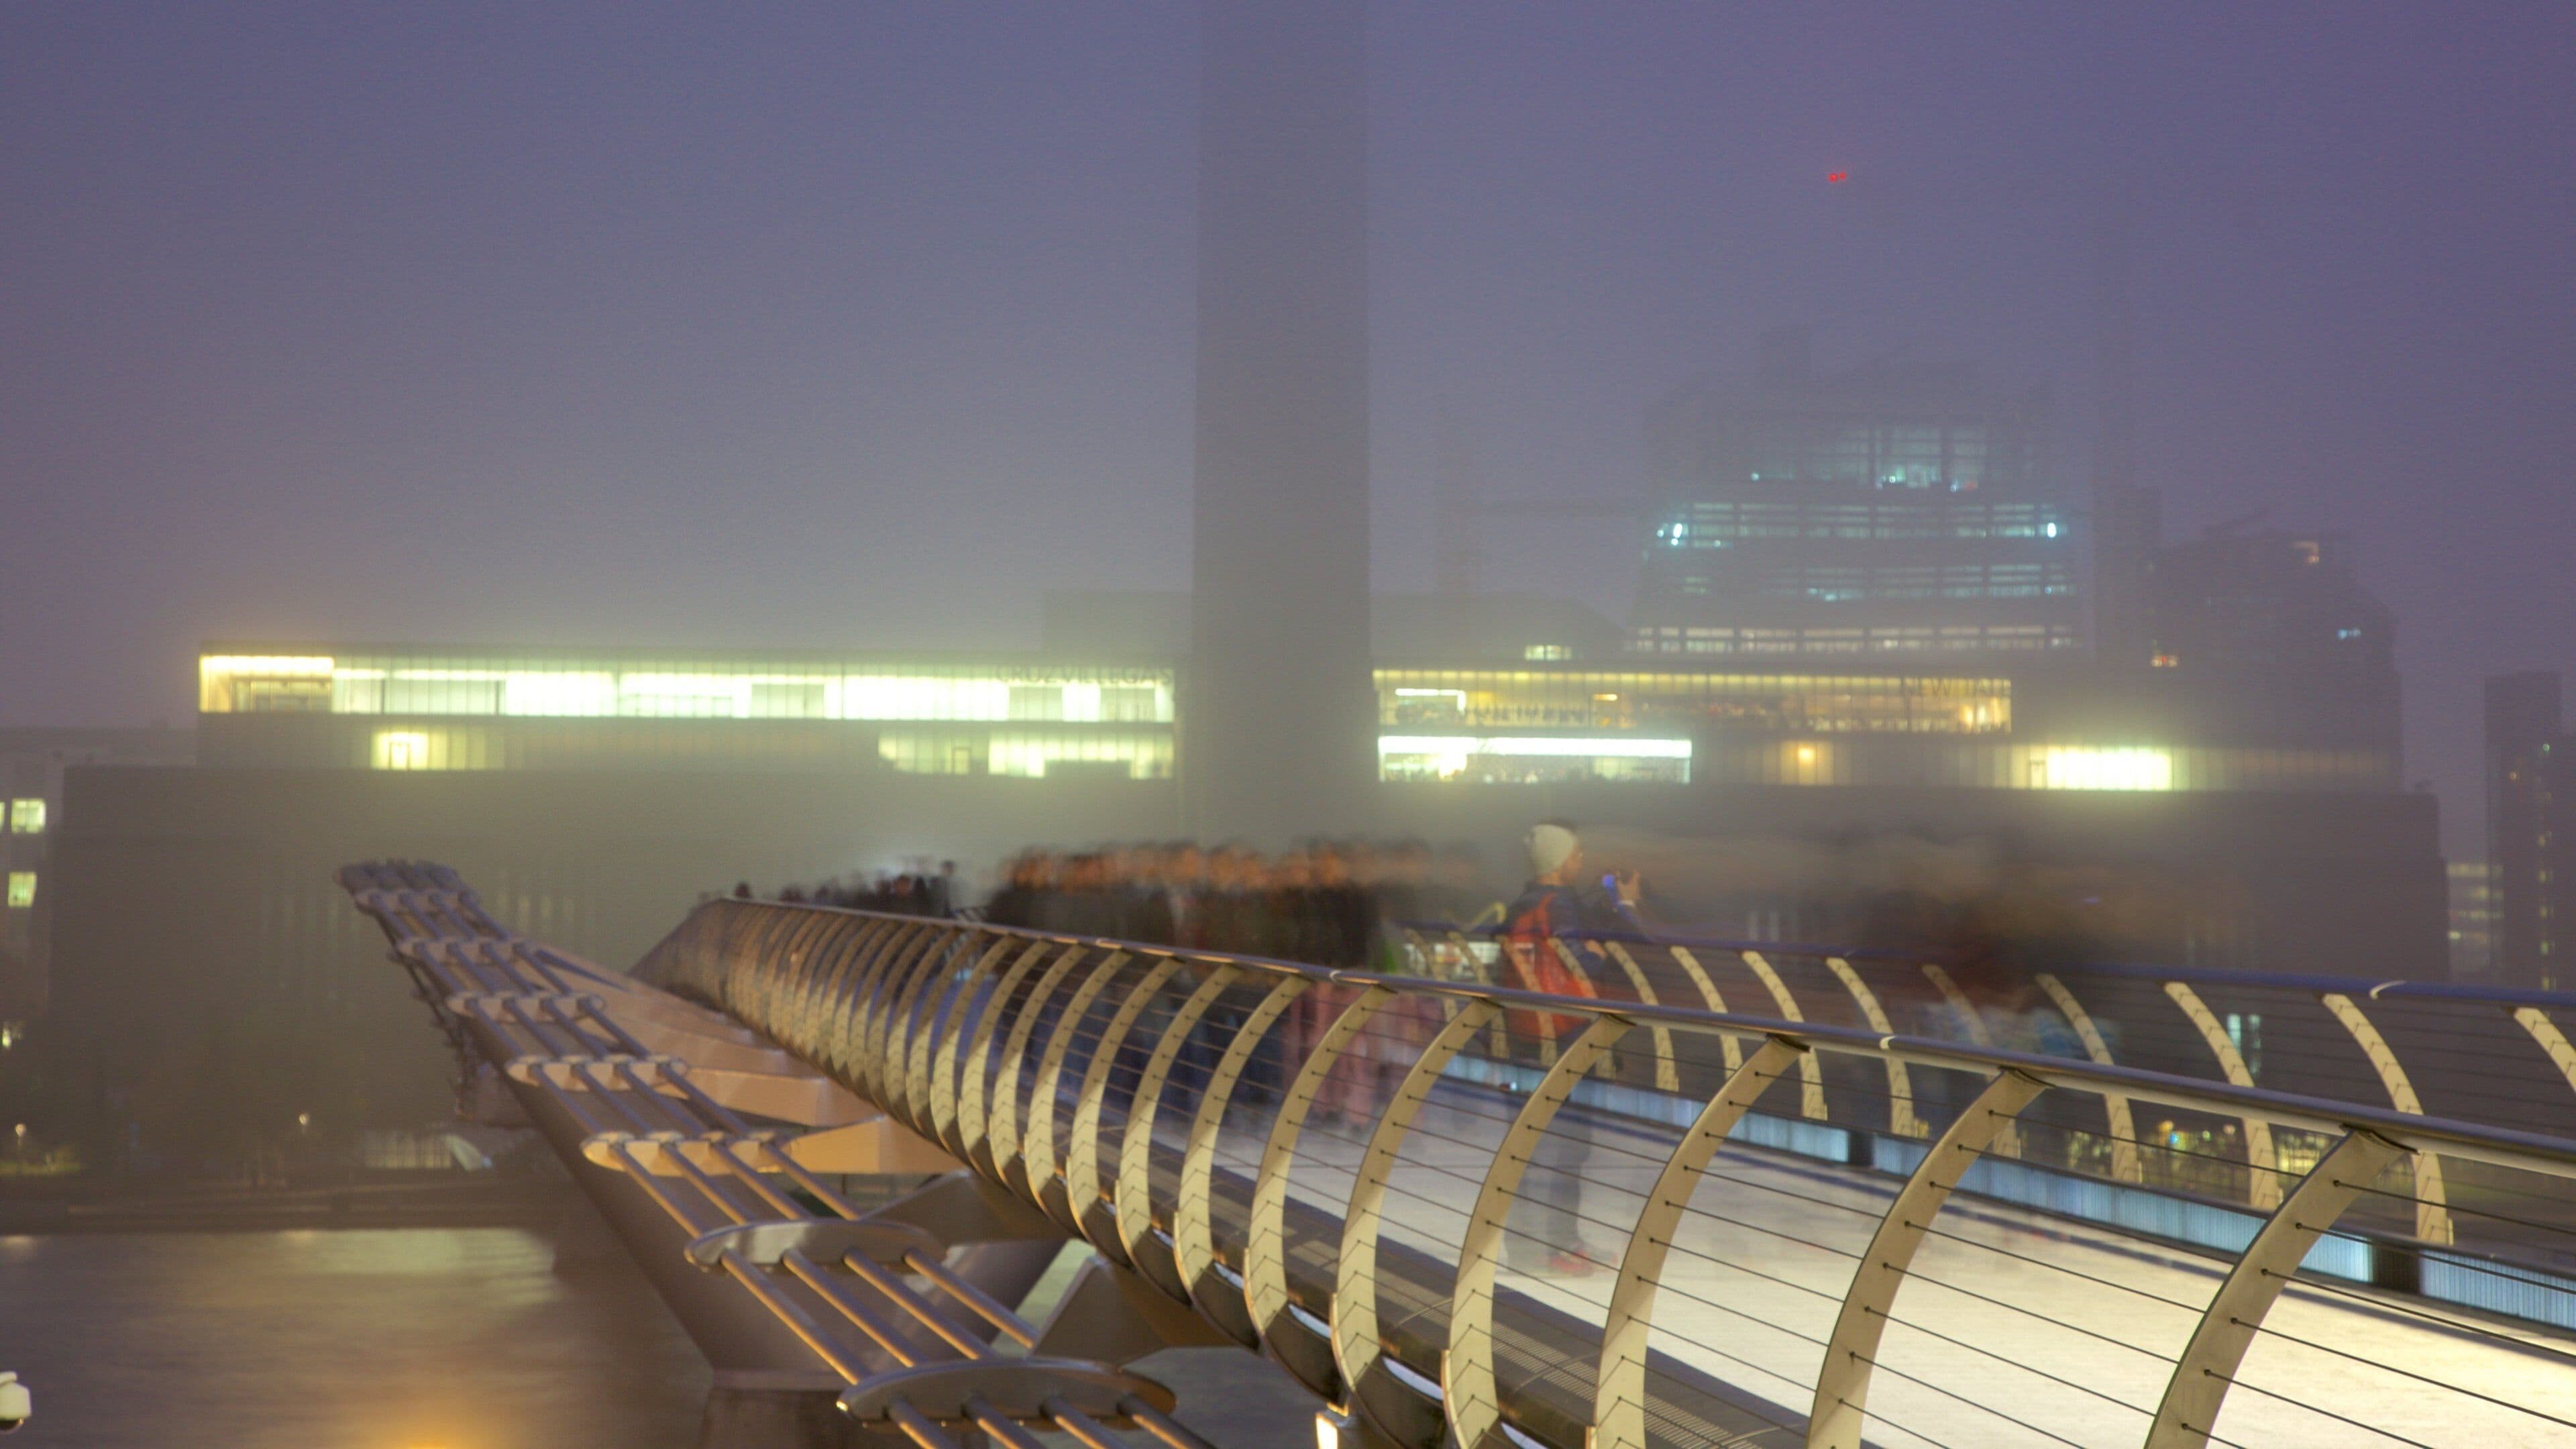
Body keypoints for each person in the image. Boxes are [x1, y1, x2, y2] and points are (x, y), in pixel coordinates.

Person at [1498, 822, 1640, 1276]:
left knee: (1527, 1144)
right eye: (1577, 854)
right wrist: (1603, 946)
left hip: (1526, 1030)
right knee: (1569, 1145)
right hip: (1567, 1033)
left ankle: (1527, 1246)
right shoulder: (1559, 906)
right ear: (1560, 862)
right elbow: (1581, 959)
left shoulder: (1522, 903)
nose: (1581, 861)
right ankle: (1558, 1245)